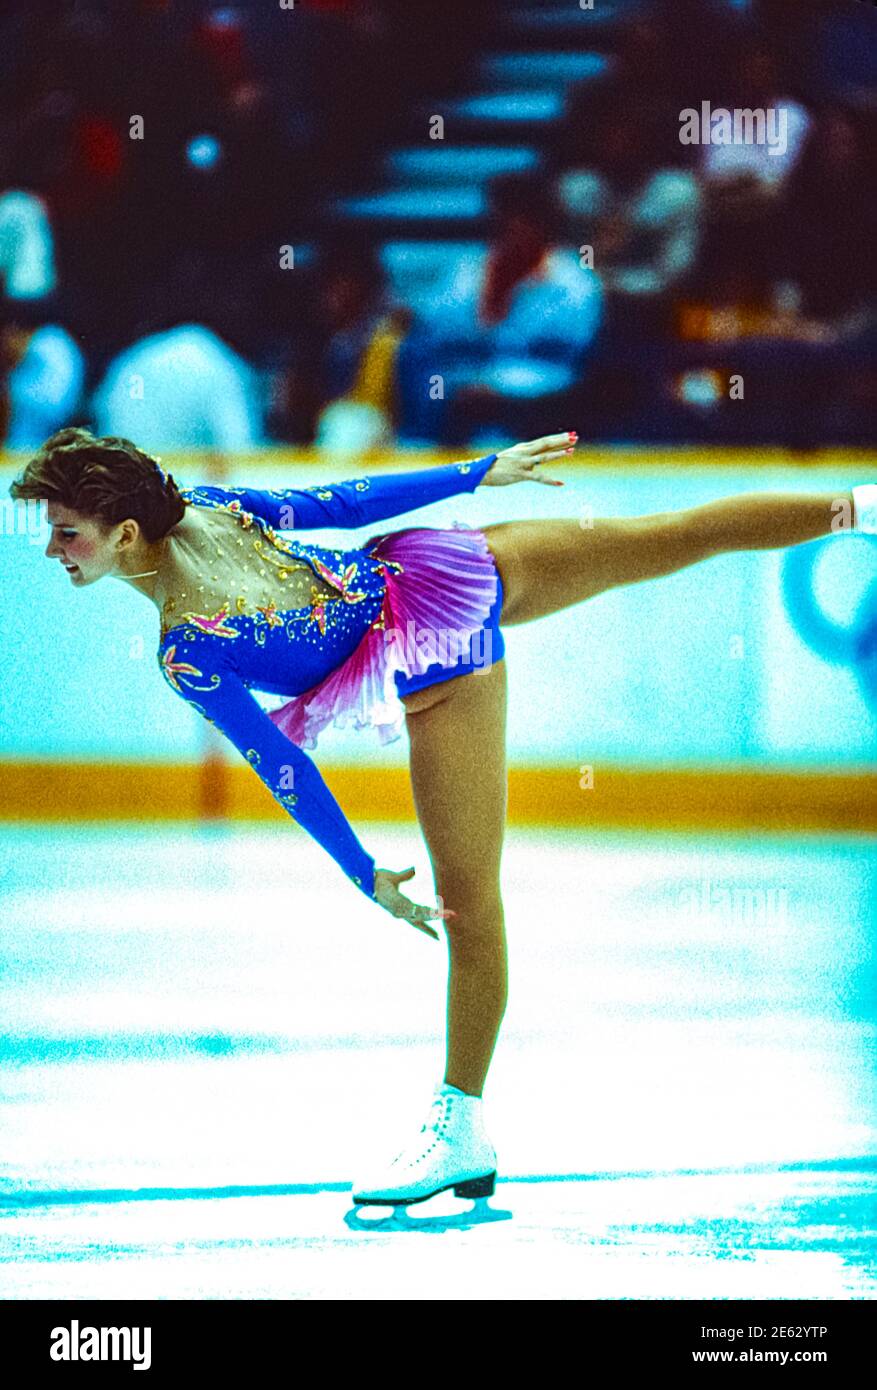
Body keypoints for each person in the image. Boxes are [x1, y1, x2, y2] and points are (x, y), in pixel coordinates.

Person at [10, 427, 875, 1209]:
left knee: (466, 902)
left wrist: (365, 876)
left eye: (66, 532)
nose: (50, 549)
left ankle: (460, 1127)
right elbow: (342, 508)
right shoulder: (210, 513)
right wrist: (476, 474)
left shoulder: (186, 642)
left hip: (431, 648)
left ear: (125, 533)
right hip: (434, 563)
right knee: (669, 537)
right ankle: (858, 506)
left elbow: (283, 762)